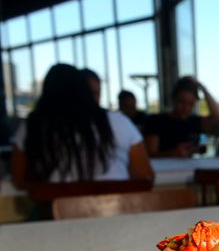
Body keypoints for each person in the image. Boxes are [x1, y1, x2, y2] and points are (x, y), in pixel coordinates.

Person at [11, 63, 154, 190]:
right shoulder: (118, 122)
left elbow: (19, 179)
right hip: (116, 211)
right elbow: (145, 177)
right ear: (84, 90)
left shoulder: (33, 126)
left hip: (55, 213)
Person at [143, 76, 219, 157]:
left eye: (190, 104)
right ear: (173, 99)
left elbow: (217, 116)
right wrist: (173, 154)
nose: (186, 108)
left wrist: (202, 88)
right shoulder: (155, 121)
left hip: (190, 168)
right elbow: (150, 155)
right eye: (181, 102)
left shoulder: (195, 121)